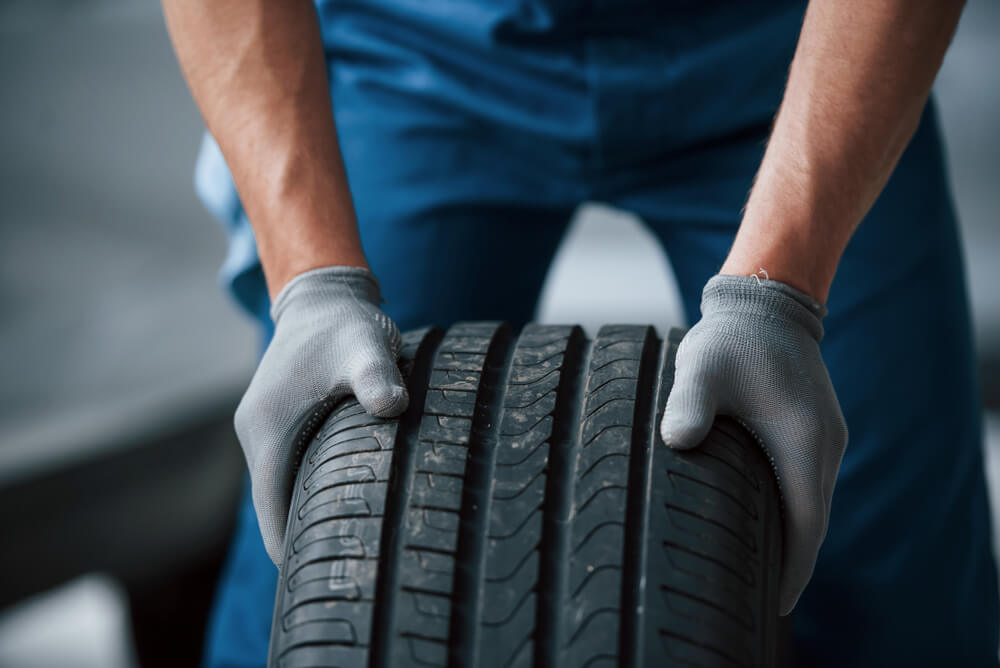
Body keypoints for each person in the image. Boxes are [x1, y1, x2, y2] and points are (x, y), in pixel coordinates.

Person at [162, 0, 997, 665]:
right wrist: (313, 282)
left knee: (896, 588)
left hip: (783, 53)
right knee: (322, 566)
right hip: (419, 51)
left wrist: (781, 295)